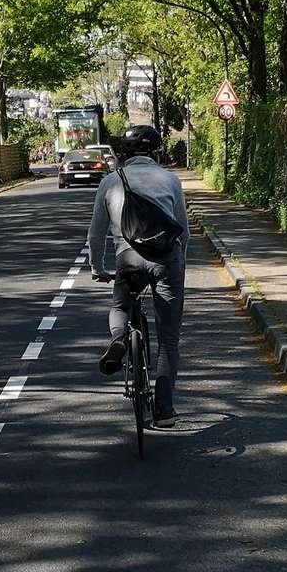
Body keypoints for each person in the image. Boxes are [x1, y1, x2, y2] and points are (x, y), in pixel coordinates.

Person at [86, 124, 190, 427]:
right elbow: (182, 231)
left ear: (123, 152)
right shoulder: (170, 180)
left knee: (119, 307)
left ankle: (119, 339)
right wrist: (178, 263)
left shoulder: (110, 182)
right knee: (168, 340)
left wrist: (97, 268)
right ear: (156, 151)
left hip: (127, 259)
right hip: (165, 260)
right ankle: (164, 410)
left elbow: (95, 234)